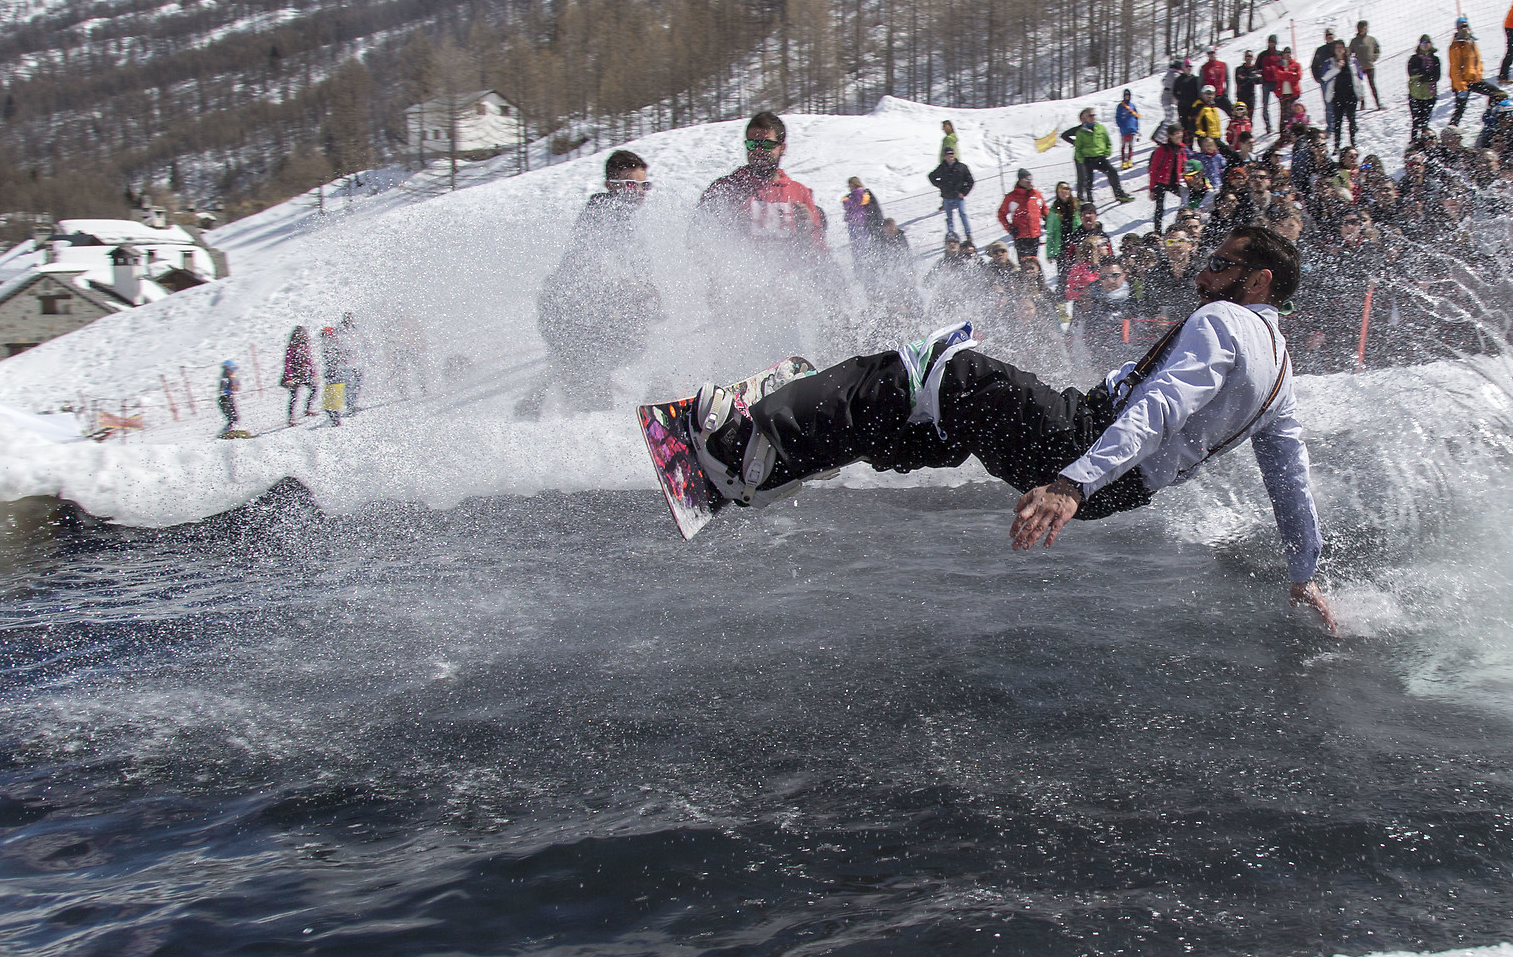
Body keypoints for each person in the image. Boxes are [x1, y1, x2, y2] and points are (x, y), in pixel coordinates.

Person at [676, 225, 1332, 630]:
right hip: (1123, 485)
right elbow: (1290, 479)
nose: (1204, 274)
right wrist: (1304, 570)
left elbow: (1159, 408)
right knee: (947, 418)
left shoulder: (1225, 321)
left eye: (1220, 264)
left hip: (1088, 444)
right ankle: (793, 461)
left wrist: (1072, 483)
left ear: (1259, 281)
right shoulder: (1280, 373)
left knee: (947, 368)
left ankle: (750, 450)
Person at [526, 148, 662, 414]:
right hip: (569, 318)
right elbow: (595, 263)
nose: (639, 193)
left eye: (644, 186)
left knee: (634, 347)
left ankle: (555, 395)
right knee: (592, 387)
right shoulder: (601, 211)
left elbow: (636, 274)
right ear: (610, 185)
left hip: (595, 318)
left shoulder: (629, 222)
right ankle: (551, 408)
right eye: (630, 185)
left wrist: (649, 294)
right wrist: (630, 287)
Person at [696, 112, 827, 247]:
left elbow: (819, 252)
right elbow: (697, 241)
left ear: (782, 148)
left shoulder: (799, 192)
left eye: (767, 145)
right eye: (752, 144)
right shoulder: (725, 189)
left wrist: (807, 232)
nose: (758, 151)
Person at [1061, 106, 1132, 205]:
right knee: (1084, 180)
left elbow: (1107, 141)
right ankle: (1083, 200)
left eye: (1093, 115)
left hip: (1099, 157)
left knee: (1112, 172)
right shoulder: (1080, 130)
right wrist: (1075, 144)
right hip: (1085, 158)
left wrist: (1107, 152)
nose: (1092, 117)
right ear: (1083, 118)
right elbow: (1065, 136)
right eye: (1090, 115)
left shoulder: (1100, 128)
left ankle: (1119, 195)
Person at [997, 168, 1046, 264]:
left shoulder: (1036, 194)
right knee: (1024, 263)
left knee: (1034, 262)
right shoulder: (1011, 197)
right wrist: (1009, 228)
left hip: (1035, 234)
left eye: (1030, 179)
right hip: (1021, 236)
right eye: (1026, 180)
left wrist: (1048, 219)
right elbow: (1001, 214)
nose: (1029, 182)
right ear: (1020, 180)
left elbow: (1044, 208)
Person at [929, 146, 976, 242]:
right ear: (945, 156)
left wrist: (964, 192)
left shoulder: (962, 167)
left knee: (962, 214)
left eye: (952, 154)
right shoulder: (942, 167)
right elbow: (931, 176)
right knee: (949, 217)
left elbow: (970, 181)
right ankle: (951, 236)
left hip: (958, 196)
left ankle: (968, 234)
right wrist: (941, 186)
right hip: (947, 196)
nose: (950, 156)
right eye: (948, 154)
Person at [281, 324, 318, 426]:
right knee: (294, 396)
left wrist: (312, 373)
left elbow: (308, 361)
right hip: (294, 375)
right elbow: (288, 363)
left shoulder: (304, 346)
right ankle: (291, 418)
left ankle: (307, 408)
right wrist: (289, 377)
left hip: (304, 374)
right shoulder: (292, 347)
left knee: (314, 389)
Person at [840, 177, 882, 260]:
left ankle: (862, 261)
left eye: (850, 184)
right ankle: (861, 260)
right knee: (858, 245)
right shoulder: (855, 194)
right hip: (857, 222)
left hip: (859, 222)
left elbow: (856, 202)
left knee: (860, 245)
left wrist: (848, 202)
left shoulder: (859, 192)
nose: (849, 186)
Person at [216, 359, 246, 438]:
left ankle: (229, 431)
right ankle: (228, 432)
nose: (232, 372)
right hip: (225, 399)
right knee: (232, 418)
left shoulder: (230, 377)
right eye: (231, 370)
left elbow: (236, 388)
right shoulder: (225, 379)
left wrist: (234, 381)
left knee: (234, 418)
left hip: (228, 398)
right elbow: (223, 390)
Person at [1113, 89, 1142, 164]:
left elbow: (1136, 117)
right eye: (1125, 95)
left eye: (1128, 95)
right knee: (1123, 145)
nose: (1127, 96)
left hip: (1132, 128)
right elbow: (1117, 117)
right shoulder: (1120, 106)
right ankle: (1123, 161)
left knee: (1130, 145)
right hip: (1124, 129)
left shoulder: (1132, 106)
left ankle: (1129, 159)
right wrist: (1120, 125)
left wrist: (1136, 127)